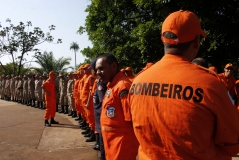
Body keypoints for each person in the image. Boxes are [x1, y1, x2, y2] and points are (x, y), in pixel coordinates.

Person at [129, 10, 239, 160]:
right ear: (196, 42)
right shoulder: (210, 84)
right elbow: (232, 140)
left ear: (163, 39)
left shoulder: (138, 81)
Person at [95, 53, 139, 160]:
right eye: (96, 70)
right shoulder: (112, 85)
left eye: (101, 69)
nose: (97, 73)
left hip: (122, 145)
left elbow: (130, 119)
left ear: (113, 66)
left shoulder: (123, 86)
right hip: (112, 143)